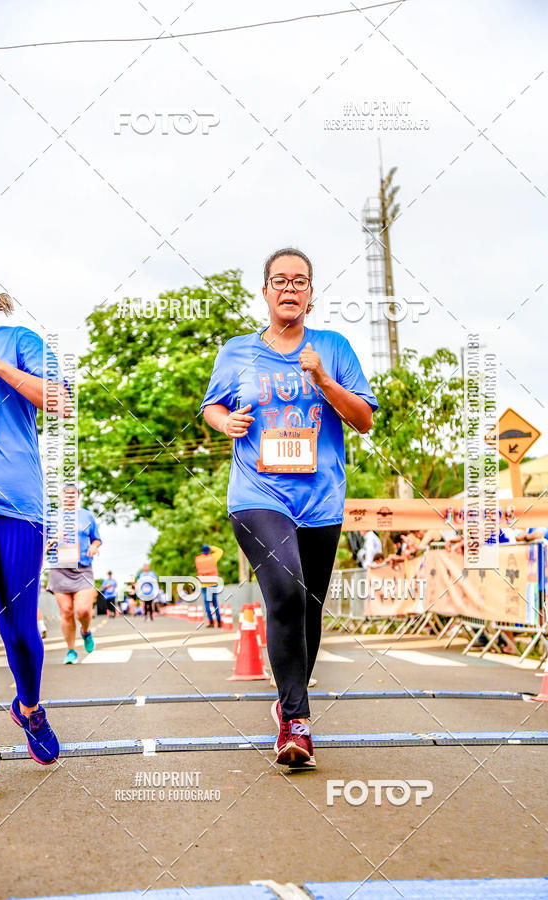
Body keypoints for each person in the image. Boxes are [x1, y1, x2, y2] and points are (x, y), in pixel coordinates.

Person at [200, 247, 378, 768]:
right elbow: (213, 405)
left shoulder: (333, 347)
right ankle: (296, 723)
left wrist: (324, 381)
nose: (290, 288)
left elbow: (364, 419)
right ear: (265, 292)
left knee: (310, 608)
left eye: (300, 280)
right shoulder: (236, 352)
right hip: (258, 494)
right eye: (280, 280)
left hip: (320, 499)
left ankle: (287, 700)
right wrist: (224, 423)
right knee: (285, 588)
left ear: (311, 292)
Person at [0, 256, 71, 793]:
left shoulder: (17, 340)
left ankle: (29, 706)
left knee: (21, 631)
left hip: (18, 505)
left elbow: (61, 401)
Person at [47, 485, 102, 664]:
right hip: (59, 568)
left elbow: (96, 538)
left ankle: (85, 631)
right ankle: (71, 651)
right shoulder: (53, 517)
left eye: (73, 494)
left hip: (82, 568)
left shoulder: (87, 516)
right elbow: (43, 539)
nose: (69, 497)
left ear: (78, 497)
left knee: (83, 610)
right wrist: (48, 544)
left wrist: (94, 546)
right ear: (61, 497)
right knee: (66, 611)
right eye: (66, 494)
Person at [195, 544, 223, 627]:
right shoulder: (213, 557)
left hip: (204, 584)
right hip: (213, 583)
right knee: (215, 603)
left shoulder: (198, 559)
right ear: (209, 551)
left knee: (207, 603)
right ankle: (219, 621)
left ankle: (210, 621)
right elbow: (220, 551)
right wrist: (211, 547)